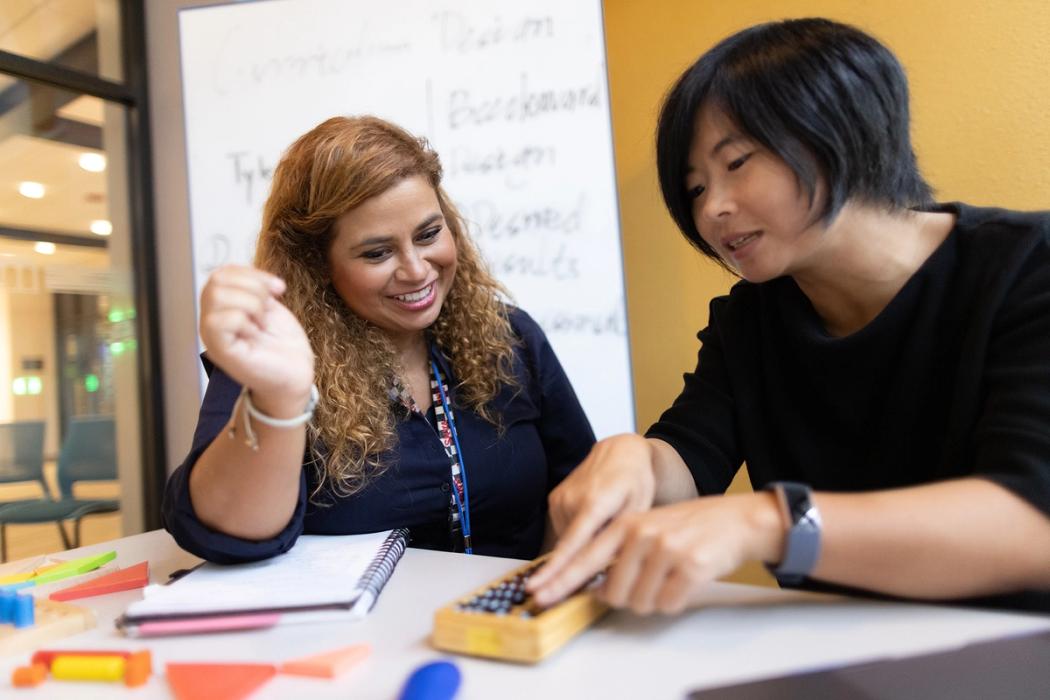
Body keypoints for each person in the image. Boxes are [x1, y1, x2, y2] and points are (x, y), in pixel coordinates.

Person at [529, 17, 1050, 613]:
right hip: (832, 650)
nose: (713, 211)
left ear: (842, 130)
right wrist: (636, 461)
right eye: (695, 188)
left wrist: (769, 521)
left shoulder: (1027, 267)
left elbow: (1033, 521)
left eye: (737, 162)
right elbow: (690, 461)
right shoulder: (750, 320)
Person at [163, 116, 595, 563]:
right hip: (357, 633)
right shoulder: (271, 357)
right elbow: (225, 534)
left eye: (429, 234)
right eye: (377, 252)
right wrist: (280, 399)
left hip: (507, 623)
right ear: (317, 264)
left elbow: (586, 486)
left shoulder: (511, 337)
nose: (416, 269)